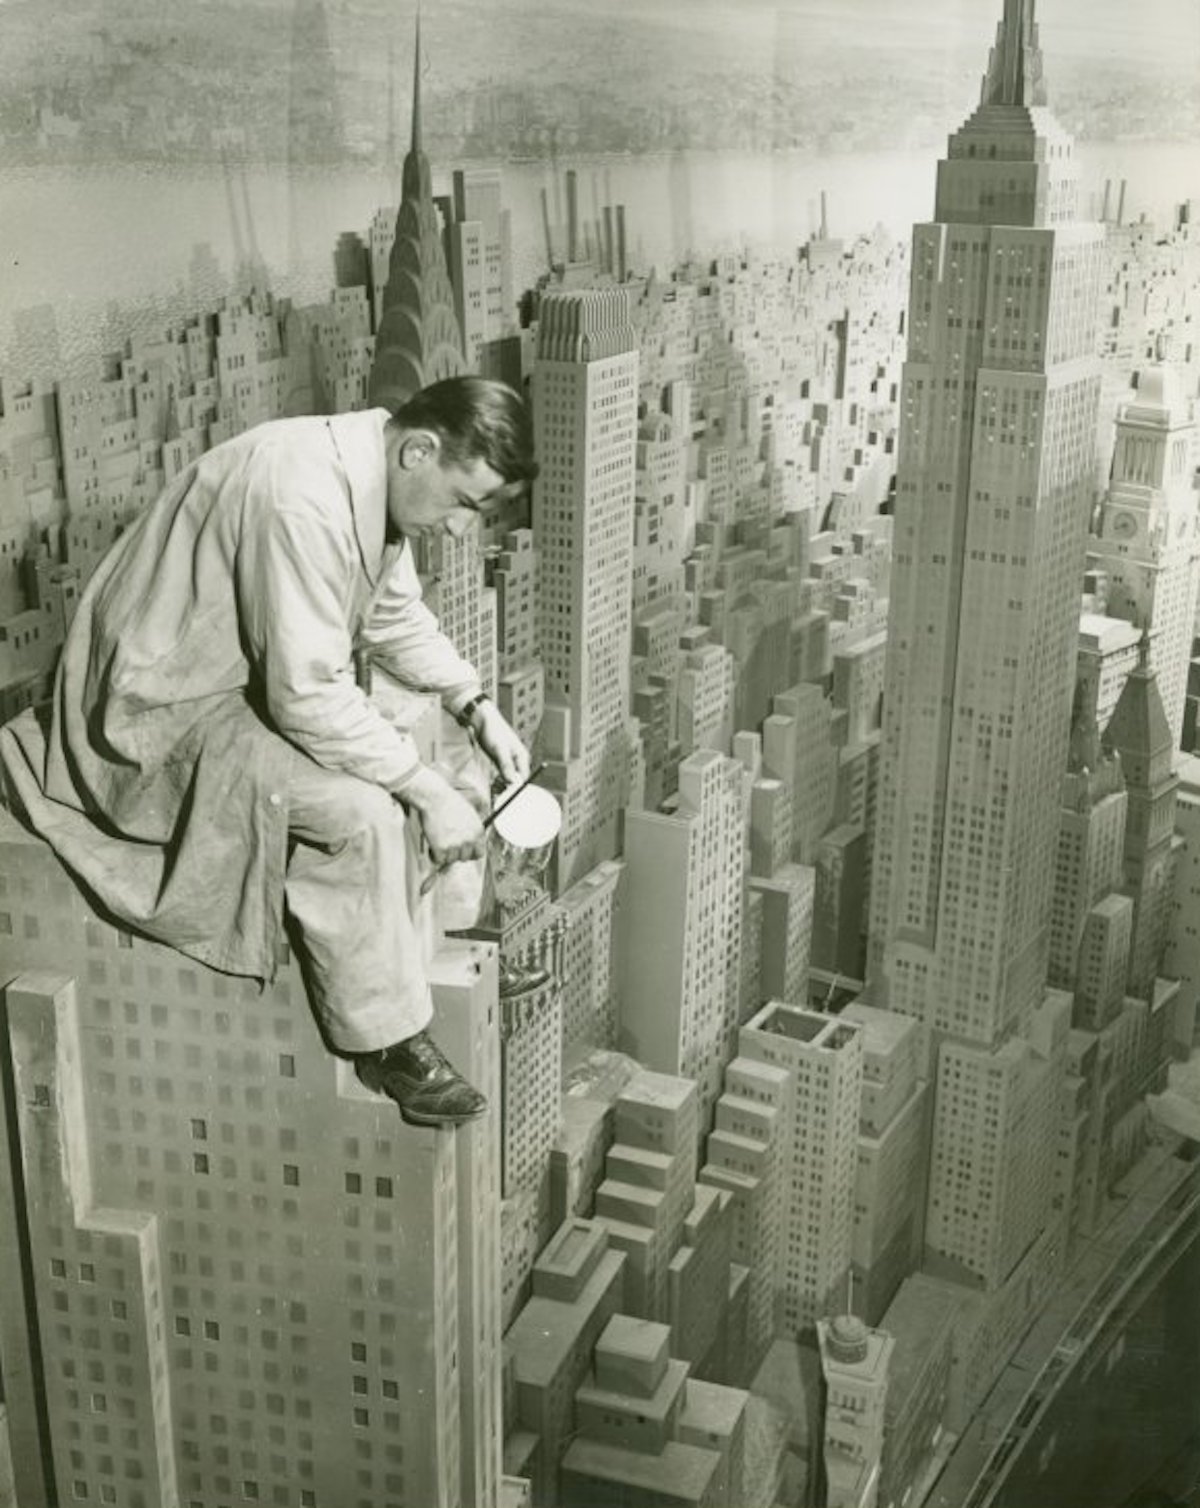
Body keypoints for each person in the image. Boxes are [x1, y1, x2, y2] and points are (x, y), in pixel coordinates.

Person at [0, 376, 537, 1128]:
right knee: (362, 811)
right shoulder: (303, 497)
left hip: (238, 679)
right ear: (419, 449)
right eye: (463, 502)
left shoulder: (372, 475)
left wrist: (473, 705)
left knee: (430, 753)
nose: (458, 530)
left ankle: (435, 957)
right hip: (162, 711)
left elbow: (392, 617)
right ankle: (390, 1041)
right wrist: (424, 791)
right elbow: (306, 698)